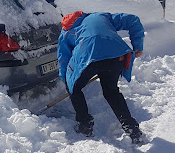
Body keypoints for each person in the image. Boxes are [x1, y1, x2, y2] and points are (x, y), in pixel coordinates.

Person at [57, 11, 145, 143]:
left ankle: (85, 124)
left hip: (89, 59)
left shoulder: (65, 32)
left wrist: (68, 82)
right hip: (116, 56)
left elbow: (63, 59)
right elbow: (133, 19)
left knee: (74, 88)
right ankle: (131, 127)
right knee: (111, 91)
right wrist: (137, 46)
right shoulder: (101, 16)